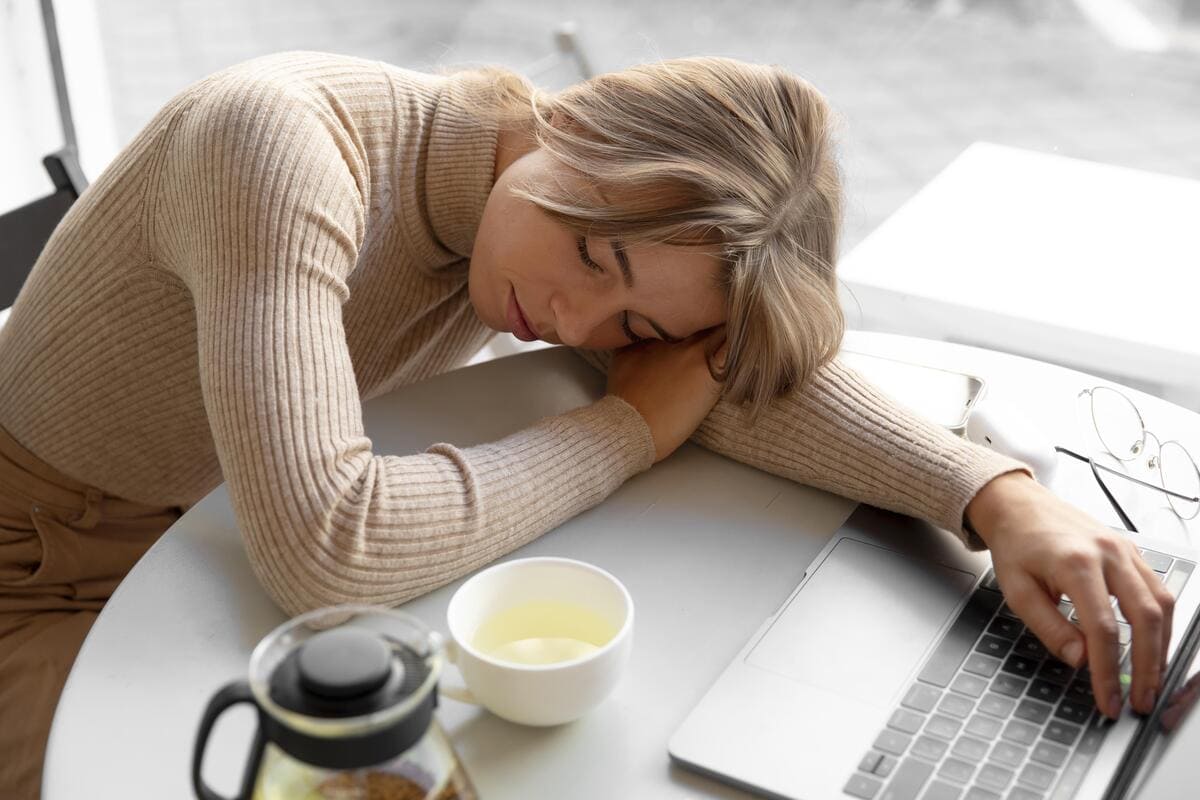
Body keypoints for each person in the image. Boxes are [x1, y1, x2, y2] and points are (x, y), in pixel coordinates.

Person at [0, 50, 1174, 797]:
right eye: (593, 261)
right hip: (35, 575)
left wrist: (996, 496)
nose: (570, 317)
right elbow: (330, 546)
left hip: (208, 539)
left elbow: (725, 375)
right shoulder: (277, 148)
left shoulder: (555, 208)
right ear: (585, 122)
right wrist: (628, 430)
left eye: (632, 321)